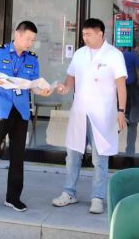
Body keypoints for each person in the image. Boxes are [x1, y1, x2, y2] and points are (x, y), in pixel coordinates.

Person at [0, 21, 50, 216]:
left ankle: (13, 197)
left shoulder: (32, 59)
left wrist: (43, 90)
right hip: (0, 110)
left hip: (21, 112)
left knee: (17, 157)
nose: (30, 43)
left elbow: (34, 85)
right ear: (17, 34)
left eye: (33, 40)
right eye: (28, 39)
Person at [52, 18, 127, 215]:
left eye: (88, 34)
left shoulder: (114, 55)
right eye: (83, 34)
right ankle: (69, 192)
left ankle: (97, 198)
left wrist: (121, 111)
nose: (85, 38)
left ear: (100, 34)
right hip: (80, 112)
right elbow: (70, 81)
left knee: (100, 158)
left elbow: (121, 86)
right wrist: (64, 88)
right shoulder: (79, 54)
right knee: (72, 155)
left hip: (103, 114)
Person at [120, 46, 139, 156]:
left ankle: (110, 150)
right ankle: (130, 150)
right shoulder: (134, 56)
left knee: (118, 120)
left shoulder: (120, 55)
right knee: (133, 123)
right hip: (132, 88)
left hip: (121, 88)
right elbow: (138, 70)